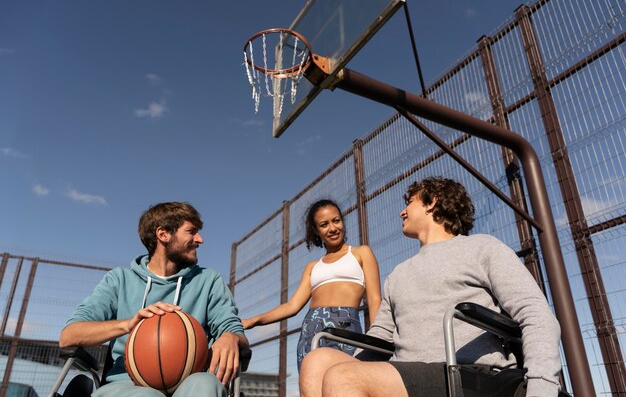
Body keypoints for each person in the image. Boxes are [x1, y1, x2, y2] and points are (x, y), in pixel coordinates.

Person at [299, 177, 562, 397]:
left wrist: (542, 385)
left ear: (431, 202)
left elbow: (535, 312)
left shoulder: (482, 247)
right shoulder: (399, 273)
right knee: (318, 361)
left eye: (409, 203)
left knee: (344, 376)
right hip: (410, 373)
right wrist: (354, 367)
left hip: (467, 372)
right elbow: (379, 335)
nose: (402, 211)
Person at [60, 202, 248, 397]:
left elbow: (235, 330)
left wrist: (230, 336)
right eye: (192, 231)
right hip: (127, 384)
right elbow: (69, 336)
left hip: (191, 381)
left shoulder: (209, 280)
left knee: (206, 384)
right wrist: (128, 325)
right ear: (163, 234)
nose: (200, 239)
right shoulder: (119, 280)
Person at [242, 199, 381, 371]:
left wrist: (375, 339)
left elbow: (374, 298)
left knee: (344, 382)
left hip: (345, 329)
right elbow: (292, 306)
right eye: (324, 224)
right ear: (316, 230)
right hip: (311, 330)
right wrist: (253, 320)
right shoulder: (313, 267)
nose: (332, 228)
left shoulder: (361, 253)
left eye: (336, 221)